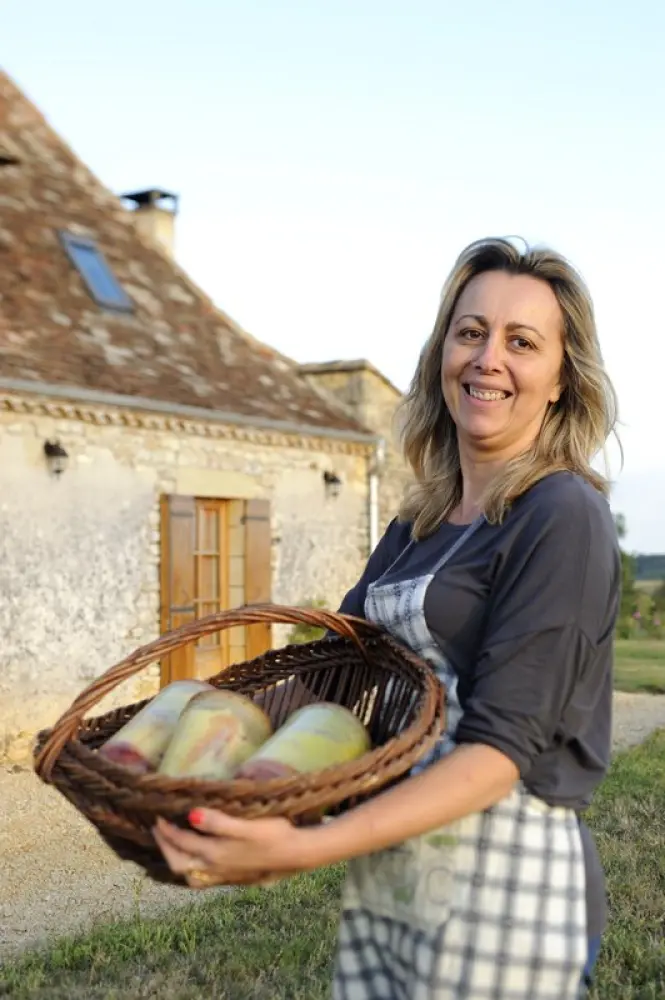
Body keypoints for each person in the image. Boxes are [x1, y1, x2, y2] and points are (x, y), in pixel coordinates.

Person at [153, 236, 621, 1000]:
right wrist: (205, 753)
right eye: (468, 332)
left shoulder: (561, 514)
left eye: (521, 342)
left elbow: (500, 750)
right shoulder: (419, 525)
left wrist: (304, 848)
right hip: (399, 870)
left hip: (505, 882)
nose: (487, 359)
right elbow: (336, 673)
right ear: (442, 351)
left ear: (561, 381)